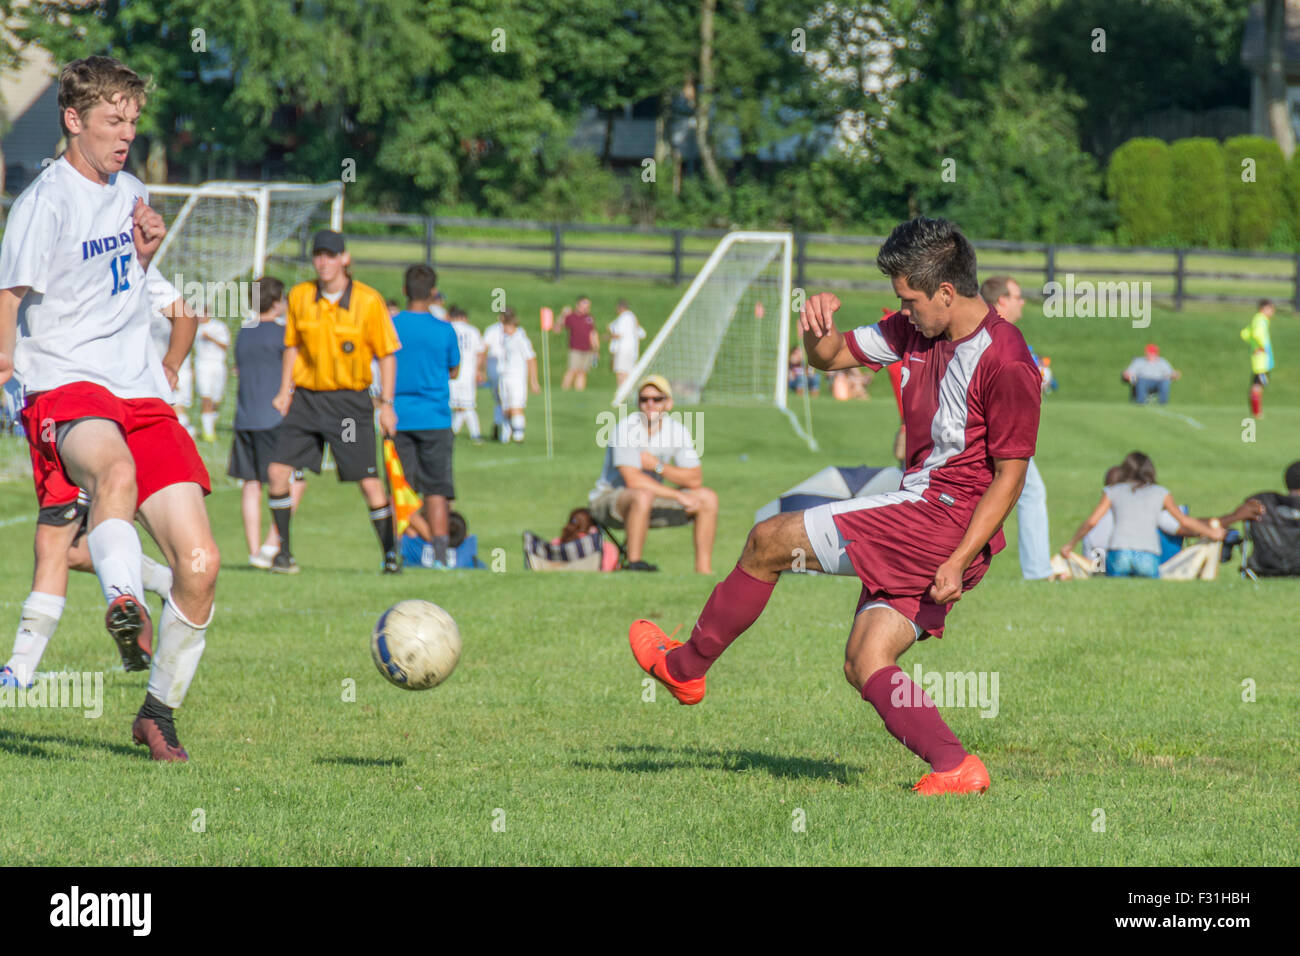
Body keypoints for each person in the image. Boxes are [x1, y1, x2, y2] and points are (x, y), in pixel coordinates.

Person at [628, 217, 1043, 795]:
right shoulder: (912, 330)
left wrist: (957, 559)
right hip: (925, 515)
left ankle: (685, 669)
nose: (904, 309)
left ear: (946, 292)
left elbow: (1011, 477)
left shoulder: (1008, 360)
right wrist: (813, 326)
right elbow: (826, 357)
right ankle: (956, 767)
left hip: (938, 520)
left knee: (767, 541)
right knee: (865, 660)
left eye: (911, 298)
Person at [0, 55, 220, 761]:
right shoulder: (45, 202)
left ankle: (157, 710)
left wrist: (147, 254)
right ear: (73, 119)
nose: (125, 134)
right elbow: (8, 298)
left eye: (132, 120)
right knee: (113, 473)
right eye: (111, 121)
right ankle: (123, 603)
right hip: (66, 385)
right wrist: (6, 373)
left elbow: (124, 289)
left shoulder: (131, 189)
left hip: (139, 392)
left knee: (201, 564)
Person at [266, 229, 402, 574]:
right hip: (307, 402)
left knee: (368, 481)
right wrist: (285, 390)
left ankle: (390, 554)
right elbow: (292, 346)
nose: (323, 262)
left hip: (348, 406)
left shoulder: (368, 301)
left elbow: (387, 354)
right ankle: (284, 554)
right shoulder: (300, 296)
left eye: (330, 255)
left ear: (345, 258)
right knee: (278, 471)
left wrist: (386, 403)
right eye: (318, 255)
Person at [589, 375, 718, 573]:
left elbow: (694, 478)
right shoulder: (625, 429)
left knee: (707, 497)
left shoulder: (678, 431)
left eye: (657, 399)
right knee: (642, 495)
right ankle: (633, 564)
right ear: (638, 403)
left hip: (651, 499)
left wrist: (657, 466)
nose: (650, 404)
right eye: (644, 399)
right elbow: (633, 480)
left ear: (668, 403)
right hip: (609, 500)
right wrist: (677, 495)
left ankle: (703, 572)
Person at [227, 277, 307, 568]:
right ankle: (272, 544)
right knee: (294, 482)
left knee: (251, 484)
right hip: (276, 419)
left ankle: (253, 551)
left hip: (245, 418)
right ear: (277, 303)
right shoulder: (284, 334)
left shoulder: (243, 333)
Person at [980, 275, 1051, 581]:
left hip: (994, 427)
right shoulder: (998, 334)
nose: (1023, 302)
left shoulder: (991, 331)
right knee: (1030, 491)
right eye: (1018, 297)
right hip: (999, 430)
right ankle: (1037, 571)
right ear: (1002, 301)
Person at [1058, 451, 1225, 577]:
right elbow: (1184, 522)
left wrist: (1070, 544)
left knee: (1112, 578)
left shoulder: (1112, 492)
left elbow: (1092, 522)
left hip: (1119, 552)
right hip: (1148, 555)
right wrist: (1212, 532)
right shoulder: (1160, 493)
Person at [391, 265, 460, 568]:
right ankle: (442, 555)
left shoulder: (390, 325)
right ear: (433, 293)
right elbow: (454, 369)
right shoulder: (444, 329)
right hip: (435, 417)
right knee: (437, 488)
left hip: (398, 416)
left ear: (404, 290)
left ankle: (393, 552)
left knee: (399, 487)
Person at [495, 308, 540, 443]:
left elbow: (531, 359)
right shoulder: (506, 338)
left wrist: (533, 381)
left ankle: (518, 436)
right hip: (505, 376)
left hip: (516, 378)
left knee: (516, 406)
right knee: (506, 408)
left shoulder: (521, 339)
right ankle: (506, 435)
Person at [448, 305, 484, 443]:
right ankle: (474, 434)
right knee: (466, 405)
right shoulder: (473, 331)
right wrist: (478, 370)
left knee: (458, 405)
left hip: (452, 372)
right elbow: (480, 352)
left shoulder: (448, 329)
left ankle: (469, 433)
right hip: (468, 372)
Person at [194, 311, 230, 442]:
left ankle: (210, 424)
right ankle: (208, 433)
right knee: (206, 398)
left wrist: (211, 338)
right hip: (202, 365)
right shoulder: (195, 328)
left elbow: (226, 345)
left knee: (216, 400)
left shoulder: (218, 326)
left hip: (218, 365)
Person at [1241, 299, 1275, 417]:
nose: (1272, 312)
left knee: (1258, 384)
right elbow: (1256, 334)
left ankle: (1257, 411)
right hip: (1262, 360)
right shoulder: (1260, 320)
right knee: (1258, 385)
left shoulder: (1259, 319)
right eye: (1270, 309)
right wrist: (1260, 346)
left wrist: (1253, 344)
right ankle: (1257, 412)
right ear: (1263, 309)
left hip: (1261, 360)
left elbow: (1245, 333)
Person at [558, 296, 598, 391]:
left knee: (582, 372)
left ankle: (579, 391)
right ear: (578, 305)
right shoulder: (571, 317)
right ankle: (564, 389)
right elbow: (558, 328)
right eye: (583, 306)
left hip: (587, 349)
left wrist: (596, 348)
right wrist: (562, 315)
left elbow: (593, 333)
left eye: (587, 307)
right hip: (575, 348)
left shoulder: (589, 318)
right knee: (572, 370)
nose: (585, 309)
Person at [608, 299, 645, 388]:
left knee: (621, 372)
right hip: (632, 350)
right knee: (628, 373)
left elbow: (619, 334)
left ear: (619, 308)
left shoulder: (623, 317)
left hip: (623, 349)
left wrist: (608, 336)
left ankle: (622, 394)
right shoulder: (632, 317)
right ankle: (627, 392)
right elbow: (641, 333)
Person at [482, 309, 507, 441]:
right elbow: (484, 348)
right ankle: (503, 428)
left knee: (502, 399)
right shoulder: (492, 330)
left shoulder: (516, 331)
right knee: (502, 399)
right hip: (496, 365)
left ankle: (500, 426)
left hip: (507, 367)